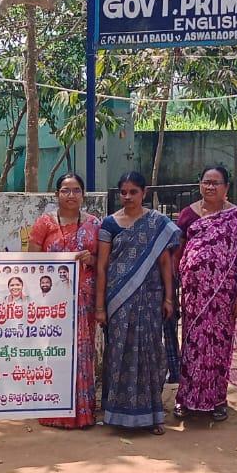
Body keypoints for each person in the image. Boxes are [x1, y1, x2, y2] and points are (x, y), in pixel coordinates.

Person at [175, 165, 237, 422]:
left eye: (215, 183)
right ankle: (185, 399)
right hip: (194, 296)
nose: (210, 187)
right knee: (192, 345)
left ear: (226, 187)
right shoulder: (188, 215)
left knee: (219, 348)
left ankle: (217, 400)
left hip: (224, 298)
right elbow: (178, 253)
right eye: (206, 182)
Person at [95, 171, 179, 434]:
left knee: (150, 352)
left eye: (133, 192)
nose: (128, 197)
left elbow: (165, 262)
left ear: (144, 193)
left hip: (150, 298)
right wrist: (100, 307)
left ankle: (153, 415)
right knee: (119, 353)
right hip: (119, 300)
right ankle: (116, 414)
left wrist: (168, 298)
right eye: (123, 192)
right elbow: (102, 266)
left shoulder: (157, 223)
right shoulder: (109, 224)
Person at [31, 173, 102, 430]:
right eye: (65, 190)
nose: (70, 195)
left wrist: (90, 259)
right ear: (56, 194)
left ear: (83, 194)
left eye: (76, 190)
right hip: (54, 302)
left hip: (84, 300)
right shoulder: (44, 223)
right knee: (56, 350)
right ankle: (54, 410)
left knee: (82, 352)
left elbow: (103, 262)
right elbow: (32, 262)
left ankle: (83, 412)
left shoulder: (94, 224)